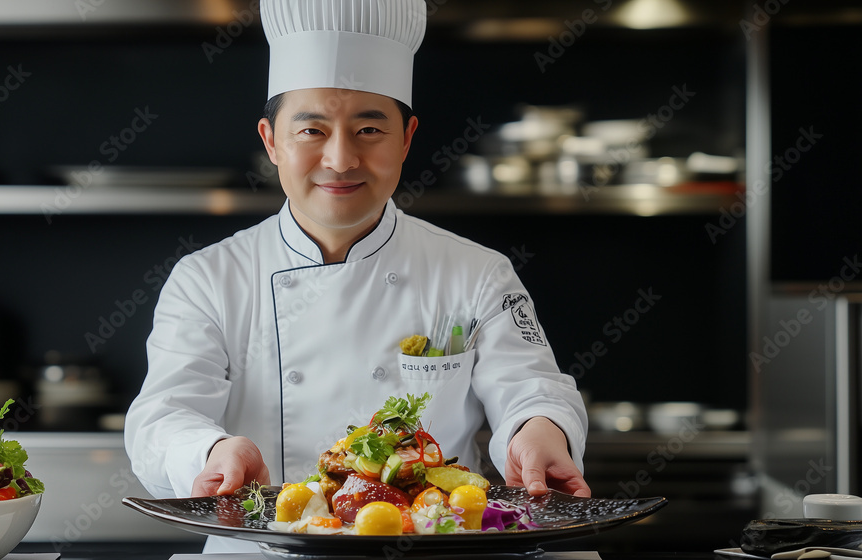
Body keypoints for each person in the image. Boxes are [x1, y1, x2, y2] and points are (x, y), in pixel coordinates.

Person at [125, 0, 589, 550]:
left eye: (369, 128)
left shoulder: (478, 273)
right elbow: (163, 416)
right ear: (271, 140)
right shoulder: (206, 279)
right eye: (311, 131)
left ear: (407, 138)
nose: (341, 159)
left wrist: (539, 430)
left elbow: (531, 387)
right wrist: (210, 453)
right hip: (259, 552)